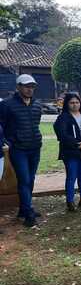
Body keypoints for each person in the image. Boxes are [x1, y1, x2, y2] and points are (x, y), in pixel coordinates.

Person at [0, 74, 43, 227]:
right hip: (18, 149)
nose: (30, 89)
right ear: (18, 87)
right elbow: (1, 125)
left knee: (30, 179)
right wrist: (7, 141)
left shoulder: (37, 104)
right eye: (26, 86)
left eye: (32, 86)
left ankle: (23, 209)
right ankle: (29, 213)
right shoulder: (7, 104)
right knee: (24, 179)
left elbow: (36, 123)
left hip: (35, 147)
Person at [53, 93, 81, 211]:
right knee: (71, 176)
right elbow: (62, 135)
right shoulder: (62, 118)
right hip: (71, 152)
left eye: (77, 102)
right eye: (72, 103)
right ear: (67, 104)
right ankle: (70, 201)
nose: (75, 105)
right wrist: (78, 144)